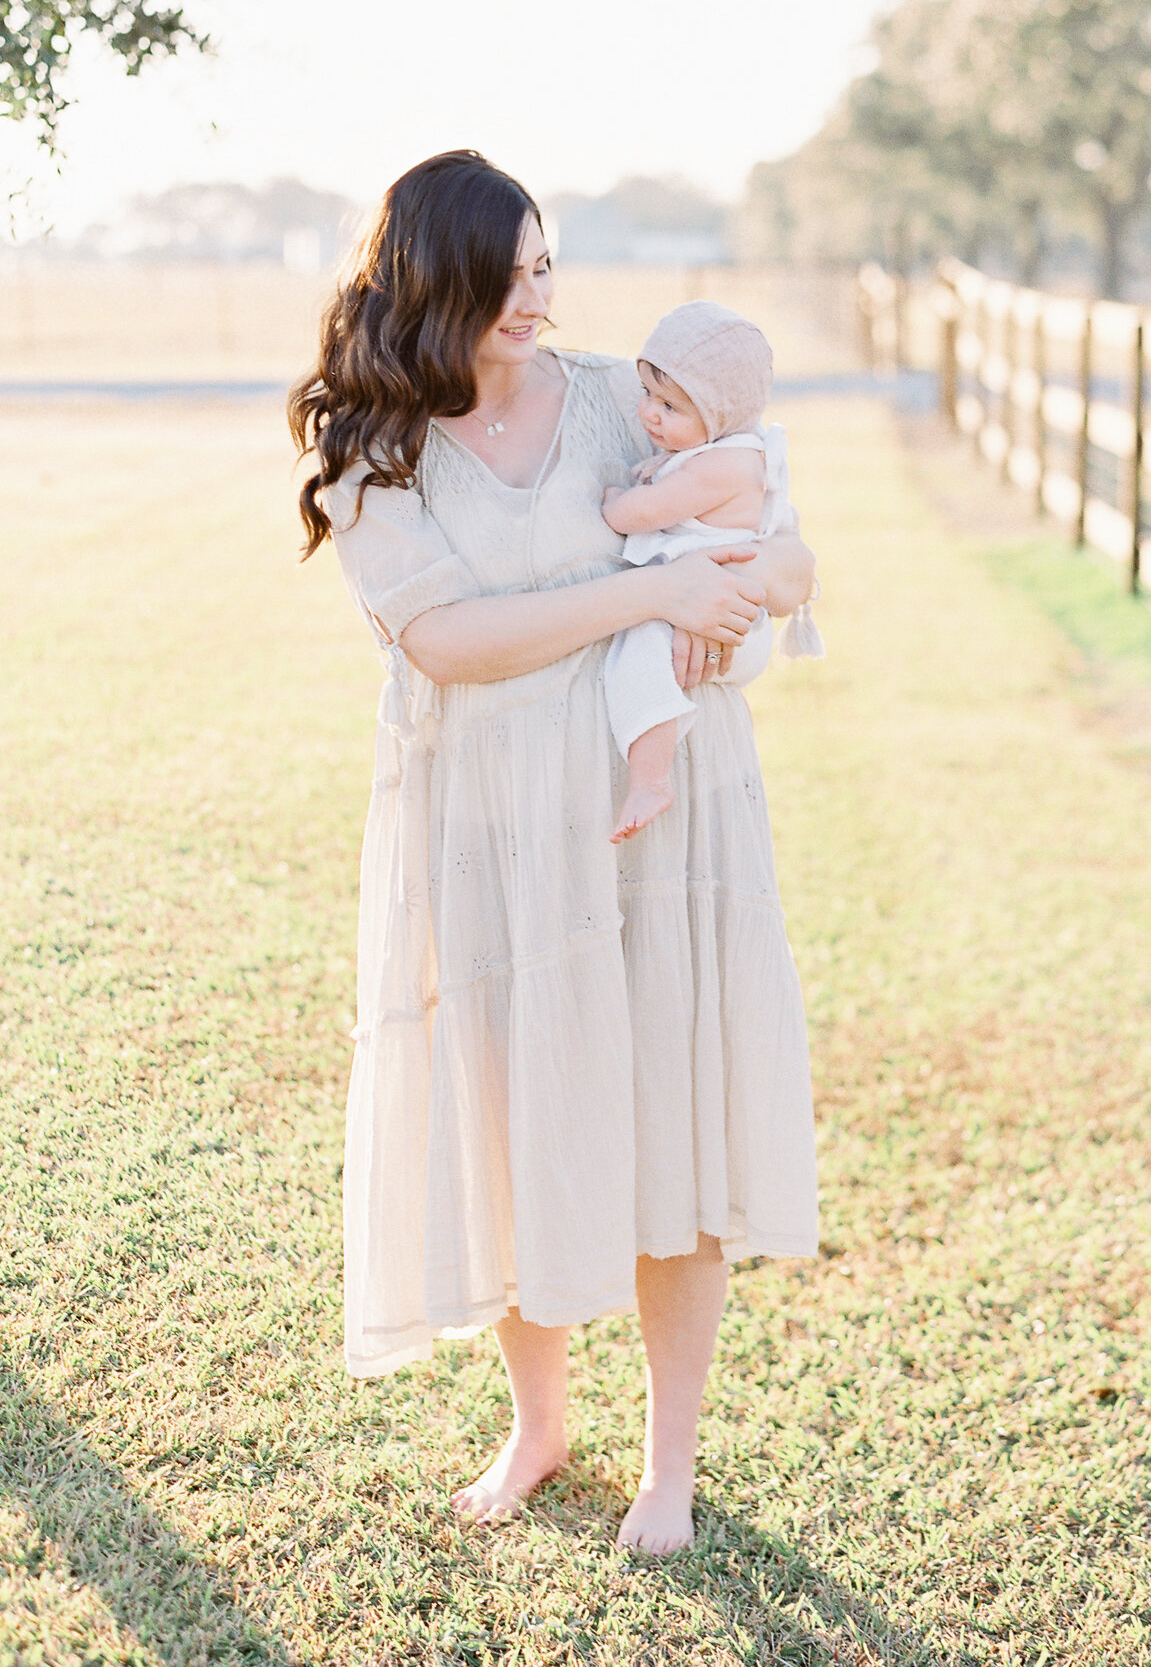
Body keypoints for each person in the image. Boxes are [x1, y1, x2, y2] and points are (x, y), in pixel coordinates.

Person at [288, 150, 820, 1555]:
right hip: (493, 829)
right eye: (511, 273)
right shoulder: (370, 444)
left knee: (671, 1117)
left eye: (546, 268)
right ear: (434, 278)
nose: (540, 298)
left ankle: (671, 1464)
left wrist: (744, 587)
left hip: (663, 819)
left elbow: (777, 538)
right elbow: (450, 640)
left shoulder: (612, 401)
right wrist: (647, 588)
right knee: (515, 1121)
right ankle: (538, 1424)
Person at [600, 300, 824, 845]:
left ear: (721, 413)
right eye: (647, 393)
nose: (650, 413)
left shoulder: (725, 464)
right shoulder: (710, 451)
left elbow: (634, 515)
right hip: (718, 610)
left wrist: (612, 497)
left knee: (640, 653)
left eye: (671, 406)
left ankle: (651, 780)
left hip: (727, 622)